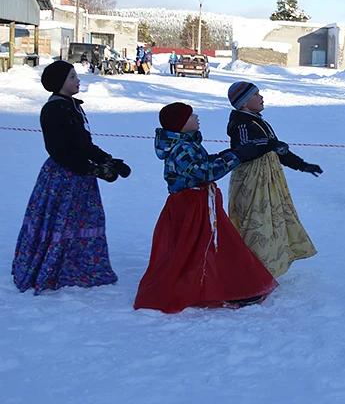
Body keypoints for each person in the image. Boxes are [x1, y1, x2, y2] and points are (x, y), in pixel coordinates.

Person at [134, 102, 279, 313]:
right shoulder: (181, 148)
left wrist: (228, 154)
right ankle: (195, 288)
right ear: (181, 124)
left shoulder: (187, 144)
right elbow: (203, 172)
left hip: (200, 203)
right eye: (191, 115)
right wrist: (237, 156)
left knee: (208, 245)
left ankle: (220, 285)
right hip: (189, 206)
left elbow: (204, 163)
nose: (197, 117)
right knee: (194, 247)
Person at [12, 61, 131, 294]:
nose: (77, 80)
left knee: (80, 222)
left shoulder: (72, 106)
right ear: (59, 83)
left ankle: (78, 265)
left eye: (76, 76)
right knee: (62, 223)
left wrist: (108, 160)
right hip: (63, 178)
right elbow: (60, 152)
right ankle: (55, 266)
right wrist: (93, 170)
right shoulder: (54, 110)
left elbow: (83, 144)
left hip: (80, 177)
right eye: (72, 77)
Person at [226, 82, 320, 277]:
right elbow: (245, 147)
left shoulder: (258, 120)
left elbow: (278, 151)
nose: (261, 97)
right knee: (254, 223)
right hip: (252, 182)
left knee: (270, 222)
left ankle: (264, 268)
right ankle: (248, 272)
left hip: (268, 179)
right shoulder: (241, 123)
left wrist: (302, 165)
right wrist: (271, 144)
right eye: (256, 94)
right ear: (243, 103)